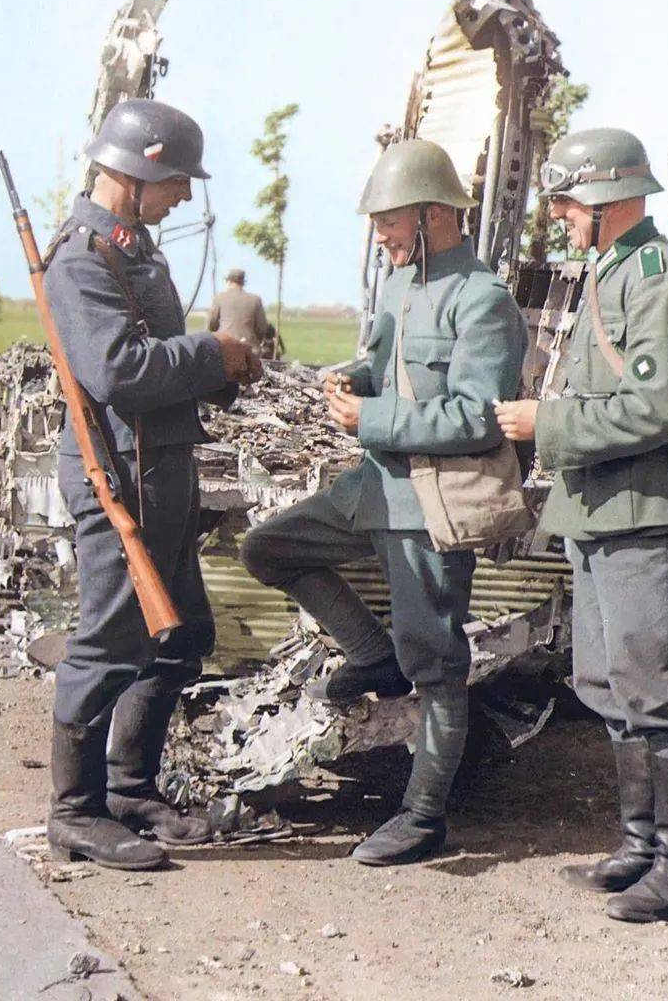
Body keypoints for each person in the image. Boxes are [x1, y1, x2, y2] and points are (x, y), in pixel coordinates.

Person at [241, 139, 527, 866]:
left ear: (433, 215)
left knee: (435, 664)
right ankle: (371, 656)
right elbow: (386, 364)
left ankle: (424, 817)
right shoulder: (400, 283)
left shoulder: (483, 298)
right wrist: (355, 380)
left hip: (429, 503)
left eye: (389, 221)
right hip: (374, 485)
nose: (381, 236)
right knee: (268, 548)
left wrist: (368, 419)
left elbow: (474, 418)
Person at [495, 127, 668, 923]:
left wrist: (543, 424)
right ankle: (639, 844)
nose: (557, 213)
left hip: (644, 515)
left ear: (607, 196)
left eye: (565, 199)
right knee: (603, 680)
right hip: (595, 512)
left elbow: (652, 411)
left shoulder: (659, 279)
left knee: (658, 690)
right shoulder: (609, 273)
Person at [43, 98, 263, 872]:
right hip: (117, 486)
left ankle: (130, 789)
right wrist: (212, 355)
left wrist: (225, 369)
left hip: (163, 477)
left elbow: (163, 359)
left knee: (181, 641)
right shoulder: (78, 260)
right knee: (106, 649)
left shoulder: (137, 254)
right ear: (132, 173)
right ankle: (74, 812)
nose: (186, 196)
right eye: (175, 179)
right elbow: (119, 372)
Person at [206, 268, 270, 351]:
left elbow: (212, 324)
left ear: (228, 281)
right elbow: (262, 328)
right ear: (243, 283)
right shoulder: (255, 300)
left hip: (224, 346)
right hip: (249, 348)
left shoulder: (219, 298)